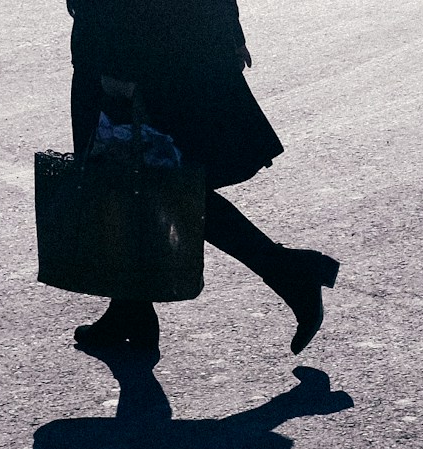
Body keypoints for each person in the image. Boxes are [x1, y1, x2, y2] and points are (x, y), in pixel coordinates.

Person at [67, 0, 338, 355]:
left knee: (150, 184)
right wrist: (229, 30)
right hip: (163, 45)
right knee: (138, 183)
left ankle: (290, 272)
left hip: (131, 51)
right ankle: (130, 308)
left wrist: (118, 64)